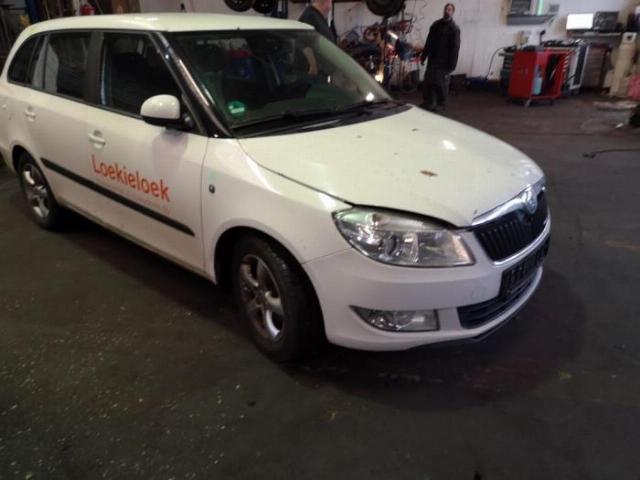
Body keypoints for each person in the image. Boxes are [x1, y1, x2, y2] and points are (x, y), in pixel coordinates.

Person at [420, 3, 461, 111]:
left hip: (444, 62)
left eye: (449, 9)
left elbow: (455, 48)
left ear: (453, 12)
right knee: (428, 81)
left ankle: (441, 104)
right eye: (446, 9)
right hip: (433, 60)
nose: (447, 11)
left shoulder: (454, 29)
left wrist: (452, 65)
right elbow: (429, 42)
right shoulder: (435, 25)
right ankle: (428, 102)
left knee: (441, 84)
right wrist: (424, 56)